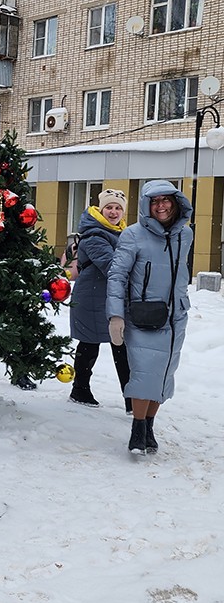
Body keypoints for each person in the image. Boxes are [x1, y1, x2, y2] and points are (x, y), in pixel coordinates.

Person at [106, 180, 192, 455]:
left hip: (175, 316)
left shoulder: (185, 235)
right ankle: (137, 429)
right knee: (144, 375)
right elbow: (117, 276)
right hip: (142, 316)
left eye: (165, 200)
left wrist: (181, 307)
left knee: (164, 376)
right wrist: (115, 316)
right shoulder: (132, 235)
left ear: (176, 202)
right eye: (154, 201)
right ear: (146, 205)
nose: (161, 206)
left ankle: (149, 428)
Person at [68, 189, 131, 409]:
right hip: (92, 298)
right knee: (95, 344)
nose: (113, 212)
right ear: (101, 209)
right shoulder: (95, 234)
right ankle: (81, 389)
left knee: (119, 345)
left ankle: (130, 397)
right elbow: (112, 266)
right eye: (109, 207)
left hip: (109, 297)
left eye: (118, 208)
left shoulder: (120, 233)